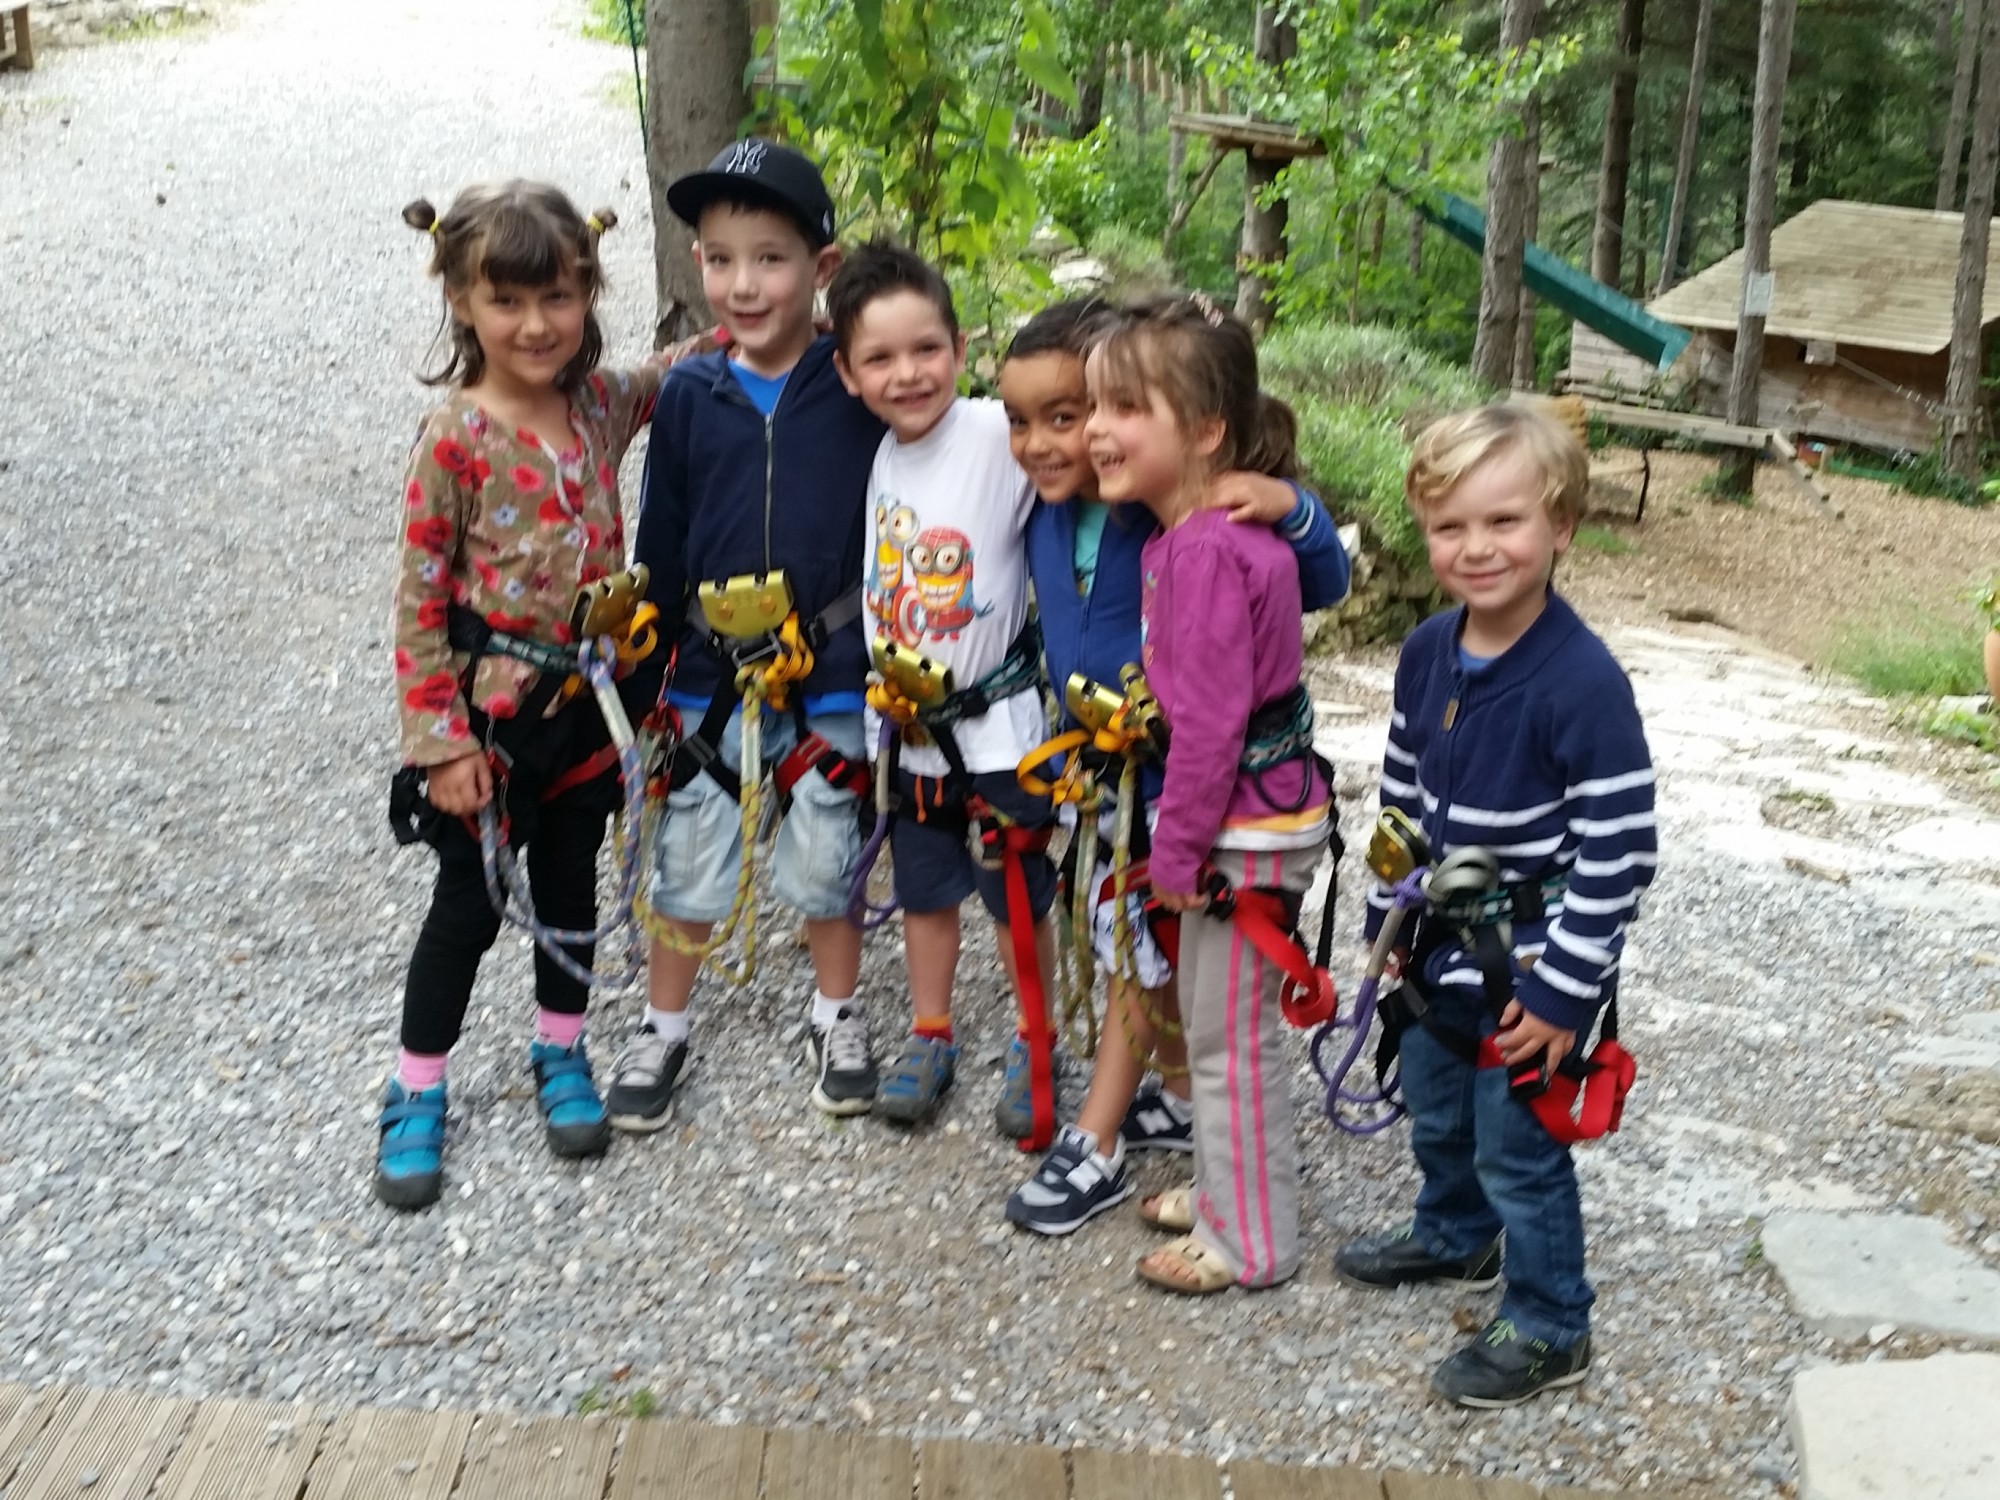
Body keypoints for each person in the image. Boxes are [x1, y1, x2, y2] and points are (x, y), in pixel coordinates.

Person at [997, 299, 1350, 1235]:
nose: (1057, 439)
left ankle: (1105, 1140)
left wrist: (1296, 506)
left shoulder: (1175, 522)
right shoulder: (1052, 509)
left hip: (1185, 790)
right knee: (1152, 957)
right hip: (1106, 776)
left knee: (1149, 953)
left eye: (1076, 412)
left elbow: (1309, 581)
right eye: (1023, 420)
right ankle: (1190, 1104)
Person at [1334, 402, 1656, 1408]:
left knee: (1519, 1138)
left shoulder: (1580, 683)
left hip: (1534, 953)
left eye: (1503, 523)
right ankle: (1453, 1233)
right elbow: (1399, 785)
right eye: (1448, 528)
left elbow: (1618, 848)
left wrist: (1564, 991)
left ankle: (1551, 1321)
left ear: (1559, 526)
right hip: (1436, 938)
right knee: (1435, 1098)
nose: (1475, 549)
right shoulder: (1429, 649)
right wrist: (1387, 909)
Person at [378, 182, 664, 1211]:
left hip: (589, 710)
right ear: (459, 300)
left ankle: (560, 1049)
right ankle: (415, 1090)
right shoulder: (453, 437)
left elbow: (667, 377)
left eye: (558, 298)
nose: (536, 326)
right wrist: (439, 744)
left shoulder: (597, 404)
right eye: (507, 303)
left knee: (570, 887)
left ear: (587, 291)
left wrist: (754, 336)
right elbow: (416, 603)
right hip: (489, 728)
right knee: (467, 907)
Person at [611, 140, 887, 1131]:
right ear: (697, 266)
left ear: (820, 269)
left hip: (830, 669)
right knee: (687, 855)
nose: (742, 282)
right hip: (709, 673)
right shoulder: (689, 395)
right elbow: (661, 541)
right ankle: (662, 1026)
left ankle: (834, 1011)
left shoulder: (858, 390)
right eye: (721, 259)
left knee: (827, 857)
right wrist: (648, 676)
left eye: (769, 259)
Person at [1079, 293, 1334, 1293]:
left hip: (1242, 826)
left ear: (1205, 430)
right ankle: (1226, 1186)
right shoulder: (1194, 539)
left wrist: (1174, 852)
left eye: (1123, 407)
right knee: (1209, 1020)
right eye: (1094, 406)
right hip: (1251, 811)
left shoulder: (1207, 552)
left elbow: (1212, 723)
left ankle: (1248, 1241)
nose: (1096, 429)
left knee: (1227, 1045)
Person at [823, 241, 1058, 1132]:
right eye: (879, 358)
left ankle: (1038, 1037)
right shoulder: (884, 455)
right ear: (847, 373)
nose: (908, 373)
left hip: (1000, 726)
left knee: (1015, 892)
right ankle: (932, 1031)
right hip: (912, 734)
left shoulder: (1000, 433)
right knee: (925, 888)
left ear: (960, 347)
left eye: (926, 349)